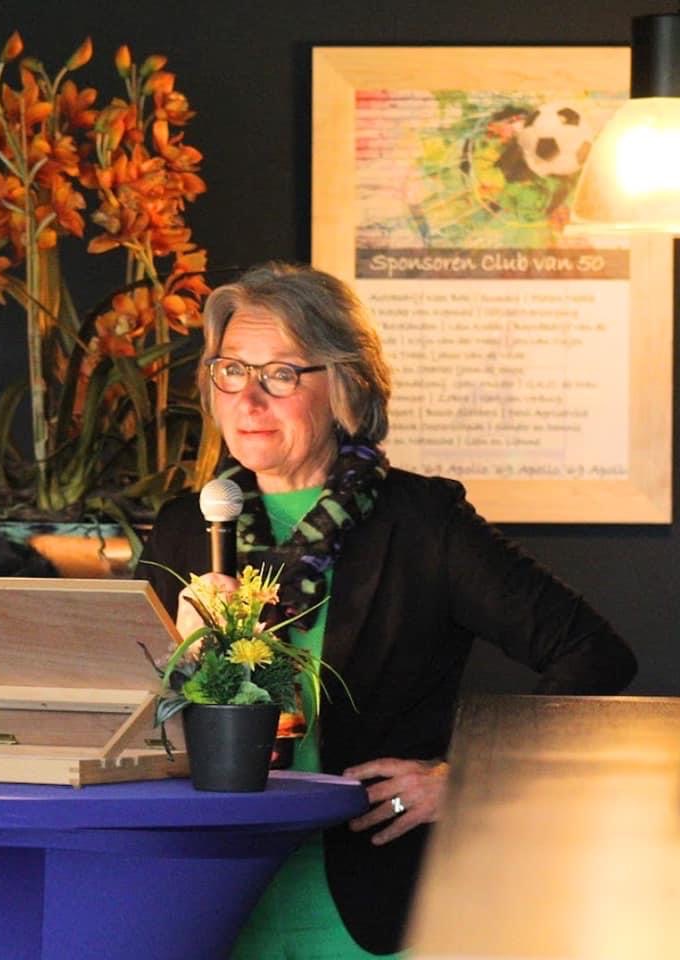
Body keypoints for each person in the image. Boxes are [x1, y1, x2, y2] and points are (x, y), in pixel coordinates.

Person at [135, 262, 637, 959]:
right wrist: (178, 656)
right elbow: (124, 712)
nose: (247, 398)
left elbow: (593, 655)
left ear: (344, 386)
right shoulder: (186, 529)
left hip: (371, 905)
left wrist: (467, 781)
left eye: (280, 374)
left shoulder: (422, 522)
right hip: (211, 898)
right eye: (231, 370)